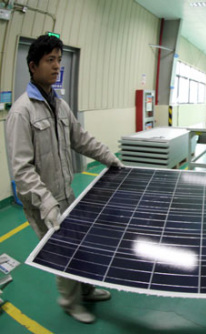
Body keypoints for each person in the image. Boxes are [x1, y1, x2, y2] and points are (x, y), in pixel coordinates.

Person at [6, 34, 124, 323]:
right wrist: (46, 203)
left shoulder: (60, 105)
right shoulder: (21, 112)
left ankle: (85, 290)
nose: (57, 66)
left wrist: (109, 157)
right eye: (50, 60)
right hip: (42, 202)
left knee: (80, 244)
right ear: (33, 66)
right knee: (63, 253)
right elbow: (21, 170)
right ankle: (70, 302)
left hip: (67, 193)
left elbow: (80, 139)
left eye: (59, 60)